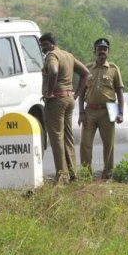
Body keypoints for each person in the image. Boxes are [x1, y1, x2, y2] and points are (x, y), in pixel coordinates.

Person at [39, 33, 89, 183]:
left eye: (45, 45)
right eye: (41, 46)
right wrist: (76, 95)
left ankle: (62, 176)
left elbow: (53, 71)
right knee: (68, 137)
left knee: (56, 137)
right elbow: (86, 73)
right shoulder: (68, 55)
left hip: (56, 101)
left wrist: (49, 93)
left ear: (52, 43)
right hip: (68, 99)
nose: (43, 49)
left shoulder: (52, 56)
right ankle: (73, 173)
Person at [78, 38, 125, 179]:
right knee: (85, 144)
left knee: (109, 145)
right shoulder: (87, 69)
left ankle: (107, 175)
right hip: (90, 110)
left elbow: (120, 93)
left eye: (105, 49)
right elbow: (81, 93)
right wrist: (81, 112)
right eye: (99, 49)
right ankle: (86, 175)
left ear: (108, 52)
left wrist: (120, 113)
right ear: (95, 51)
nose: (102, 52)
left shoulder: (114, 69)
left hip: (109, 109)